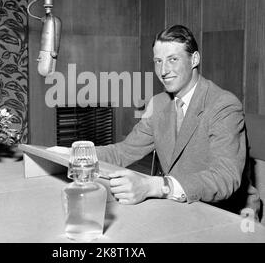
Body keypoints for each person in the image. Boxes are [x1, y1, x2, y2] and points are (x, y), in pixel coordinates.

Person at [96, 24, 261, 219]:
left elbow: (224, 179)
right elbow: (123, 151)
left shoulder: (224, 105)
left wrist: (157, 186)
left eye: (172, 59)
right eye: (158, 61)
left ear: (195, 59)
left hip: (228, 214)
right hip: (181, 207)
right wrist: (76, 153)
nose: (163, 70)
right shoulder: (158, 103)